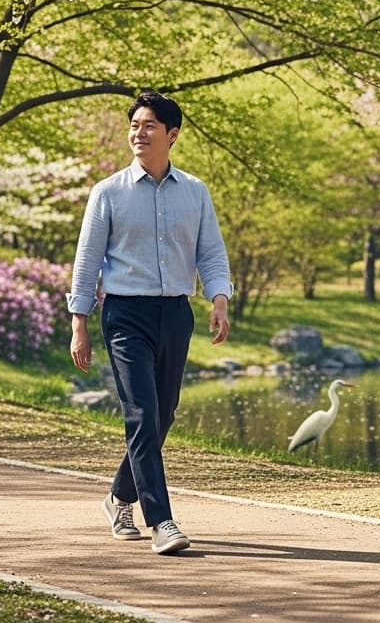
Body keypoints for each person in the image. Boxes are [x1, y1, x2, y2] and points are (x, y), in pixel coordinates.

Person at [67, 91, 232, 555]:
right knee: (141, 412)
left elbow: (211, 253)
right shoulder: (108, 192)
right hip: (125, 314)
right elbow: (87, 262)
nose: (138, 134)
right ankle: (161, 521)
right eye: (134, 126)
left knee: (163, 413)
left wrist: (219, 299)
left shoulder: (195, 192)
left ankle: (120, 495)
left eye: (149, 127)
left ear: (172, 135)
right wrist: (79, 322)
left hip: (176, 313)